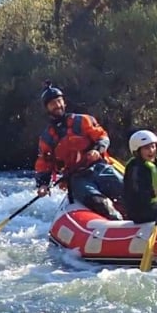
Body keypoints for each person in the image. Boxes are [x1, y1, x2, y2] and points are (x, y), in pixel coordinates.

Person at [33, 82, 125, 219]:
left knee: (128, 191)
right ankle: (118, 224)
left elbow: (102, 137)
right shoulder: (47, 138)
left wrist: (97, 150)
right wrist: (43, 185)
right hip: (76, 178)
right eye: (52, 103)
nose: (57, 105)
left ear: (64, 102)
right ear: (47, 108)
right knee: (100, 204)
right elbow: (44, 164)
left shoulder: (83, 121)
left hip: (99, 167)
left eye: (59, 101)